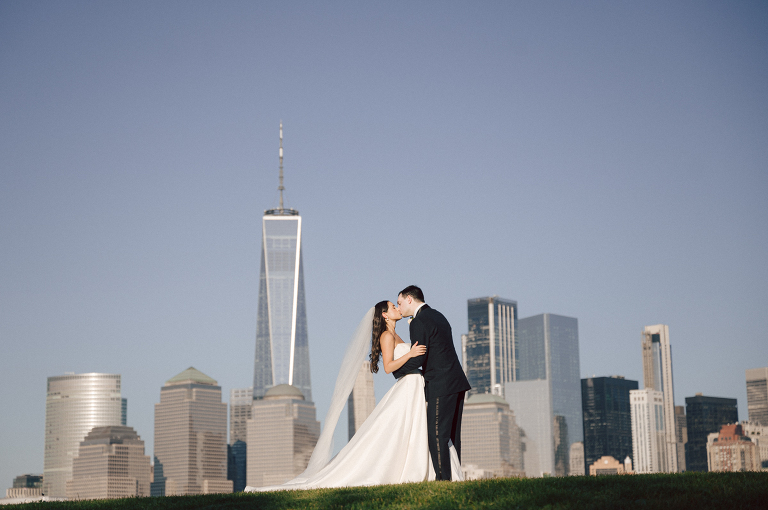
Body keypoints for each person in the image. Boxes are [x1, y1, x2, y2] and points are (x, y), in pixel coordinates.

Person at [244, 299, 462, 491]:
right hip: (407, 388)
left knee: (420, 429)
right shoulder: (387, 336)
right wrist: (412, 353)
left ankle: (432, 472)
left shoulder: (397, 333)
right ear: (384, 315)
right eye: (392, 306)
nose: (397, 308)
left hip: (416, 386)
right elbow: (388, 367)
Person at [393, 285, 471, 481]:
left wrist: (396, 371)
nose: (399, 307)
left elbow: (419, 357)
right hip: (457, 382)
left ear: (410, 299)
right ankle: (455, 476)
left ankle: (443, 479)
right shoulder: (439, 316)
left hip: (440, 383)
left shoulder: (419, 321)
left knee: (436, 435)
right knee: (452, 437)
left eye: (400, 303)